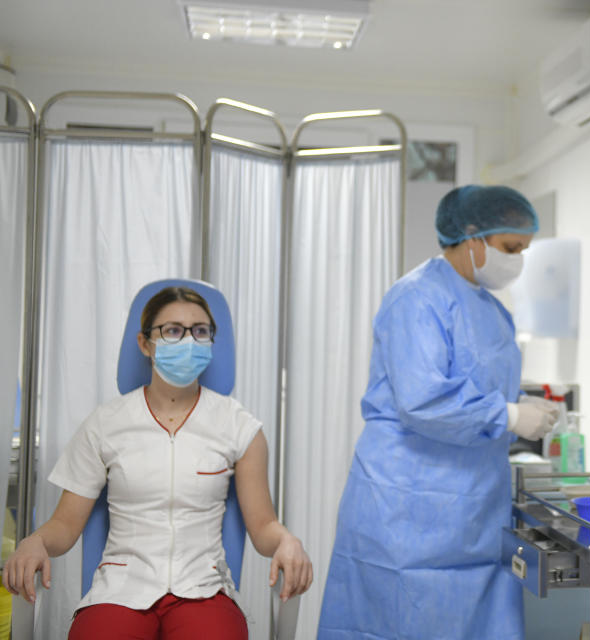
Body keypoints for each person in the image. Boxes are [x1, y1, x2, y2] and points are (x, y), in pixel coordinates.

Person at [317, 185, 560, 640]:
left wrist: (516, 410)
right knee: (394, 621)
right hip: (406, 509)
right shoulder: (416, 298)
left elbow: (483, 392)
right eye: (510, 248)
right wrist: (509, 416)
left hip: (473, 511)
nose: (518, 261)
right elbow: (422, 399)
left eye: (524, 250)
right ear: (473, 236)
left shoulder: (492, 310)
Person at [2, 286, 313, 639]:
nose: (188, 341)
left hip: (204, 588)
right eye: (173, 330)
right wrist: (35, 541)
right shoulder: (106, 424)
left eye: (200, 331)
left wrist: (287, 540)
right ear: (145, 343)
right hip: (120, 587)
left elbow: (263, 526)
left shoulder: (239, 427)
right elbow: (65, 525)